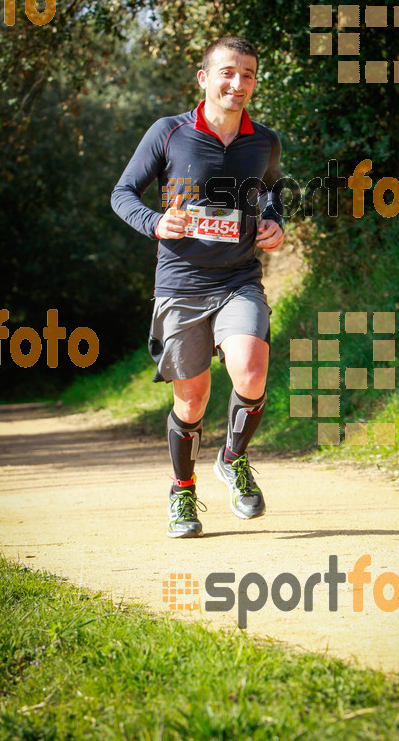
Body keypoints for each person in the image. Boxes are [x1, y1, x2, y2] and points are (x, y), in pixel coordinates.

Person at [111, 36, 284, 538]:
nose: (239, 82)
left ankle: (232, 459)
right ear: (204, 78)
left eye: (248, 74)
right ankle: (182, 491)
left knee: (250, 371)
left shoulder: (264, 141)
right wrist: (154, 222)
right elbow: (123, 193)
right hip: (182, 284)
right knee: (192, 400)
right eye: (228, 72)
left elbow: (270, 192)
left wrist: (274, 223)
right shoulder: (170, 133)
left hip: (238, 278)